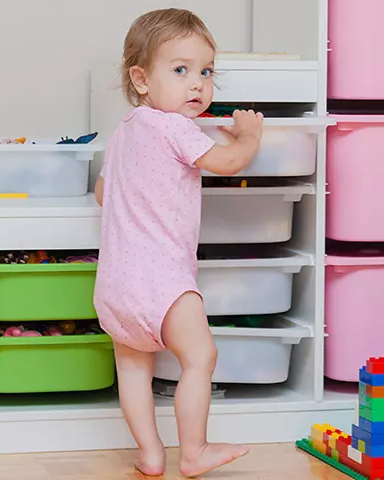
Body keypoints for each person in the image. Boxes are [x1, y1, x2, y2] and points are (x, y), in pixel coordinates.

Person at [93, 8, 263, 478]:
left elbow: (104, 193)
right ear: (141, 79)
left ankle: (150, 455)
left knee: (133, 371)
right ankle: (194, 452)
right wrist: (248, 136)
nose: (197, 85)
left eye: (207, 72)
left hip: (115, 282)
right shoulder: (174, 127)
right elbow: (228, 162)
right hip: (162, 277)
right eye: (181, 70)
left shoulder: (124, 132)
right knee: (200, 356)